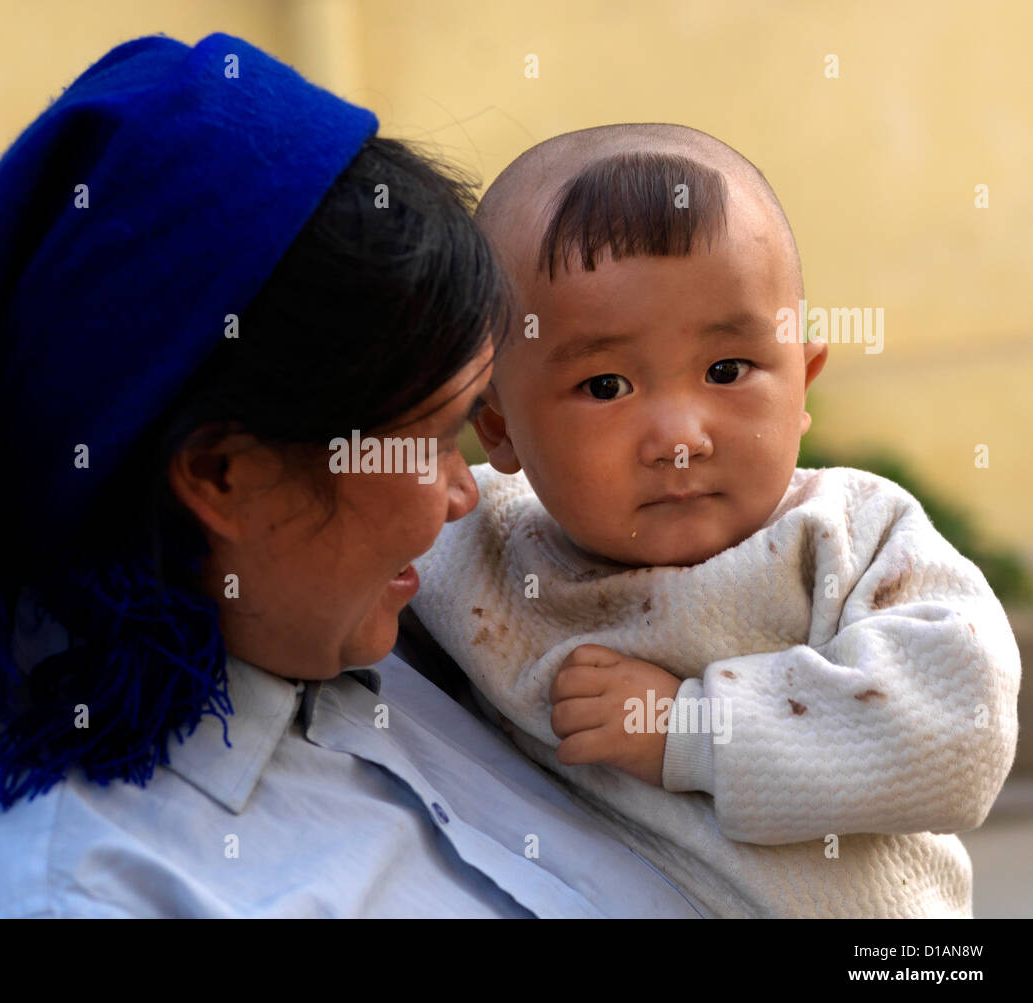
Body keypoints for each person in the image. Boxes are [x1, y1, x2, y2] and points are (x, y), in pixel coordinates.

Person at [0, 34, 701, 917]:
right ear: (225, 474)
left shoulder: (408, 644)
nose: (465, 493)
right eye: (434, 435)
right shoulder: (77, 896)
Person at [408, 123, 1022, 917]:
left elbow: (959, 734)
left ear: (803, 381)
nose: (679, 438)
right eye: (605, 386)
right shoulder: (478, 551)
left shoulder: (851, 533)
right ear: (497, 429)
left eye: (727, 371)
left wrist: (691, 728)